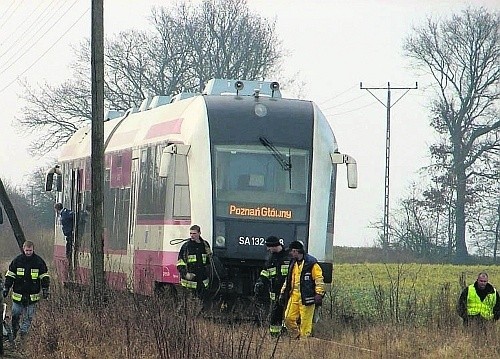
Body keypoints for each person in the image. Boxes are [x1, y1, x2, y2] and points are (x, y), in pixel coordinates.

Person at [2, 240, 50, 341]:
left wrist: (45, 289)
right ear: (23, 249)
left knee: (28, 317)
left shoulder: (39, 262)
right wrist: (6, 288)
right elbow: (10, 275)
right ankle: (14, 331)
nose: (28, 252)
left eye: (30, 250)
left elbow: (44, 276)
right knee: (15, 314)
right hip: (18, 295)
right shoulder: (17, 261)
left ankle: (23, 335)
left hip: (32, 296)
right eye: (27, 250)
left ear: (33, 249)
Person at [279, 240, 325, 339]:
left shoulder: (312, 263)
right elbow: (288, 280)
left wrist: (319, 294)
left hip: (308, 297)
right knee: (288, 319)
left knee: (305, 323)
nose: (290, 253)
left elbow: (319, 279)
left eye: (291, 251)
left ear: (296, 251)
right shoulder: (293, 263)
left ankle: (304, 344)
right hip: (294, 296)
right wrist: (283, 292)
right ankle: (296, 336)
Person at [254, 236, 290, 336]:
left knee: (289, 315)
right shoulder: (271, 259)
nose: (267, 249)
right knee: (275, 316)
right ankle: (275, 337)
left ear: (274, 246)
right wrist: (261, 281)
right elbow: (265, 272)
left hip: (289, 293)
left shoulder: (289, 257)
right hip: (275, 293)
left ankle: (290, 335)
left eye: (269, 247)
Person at [176, 225, 212, 302]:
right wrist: (185, 274)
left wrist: (210, 255)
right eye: (191, 233)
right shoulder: (186, 246)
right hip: (189, 283)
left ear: (199, 233)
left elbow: (209, 263)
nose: (192, 235)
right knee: (187, 304)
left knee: (202, 304)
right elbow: (180, 263)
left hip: (202, 281)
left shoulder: (205, 245)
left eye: (194, 233)